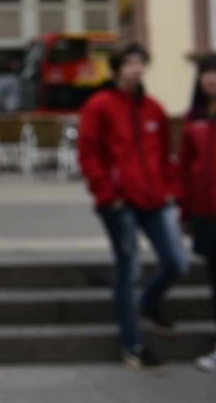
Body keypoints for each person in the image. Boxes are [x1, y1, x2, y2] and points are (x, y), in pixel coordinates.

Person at [77, 43, 189, 370]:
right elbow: (89, 154)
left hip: (155, 199)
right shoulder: (100, 105)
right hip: (120, 202)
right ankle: (133, 343)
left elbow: (166, 154)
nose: (136, 68)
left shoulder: (153, 108)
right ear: (116, 69)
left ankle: (147, 305)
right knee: (129, 268)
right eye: (129, 63)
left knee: (177, 262)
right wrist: (107, 192)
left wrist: (170, 190)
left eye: (140, 62)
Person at [178, 54, 216, 372]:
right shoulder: (195, 117)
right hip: (205, 213)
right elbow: (186, 169)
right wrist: (185, 213)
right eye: (206, 72)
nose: (211, 78)